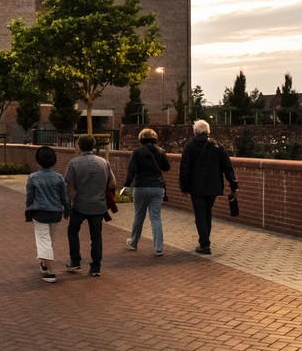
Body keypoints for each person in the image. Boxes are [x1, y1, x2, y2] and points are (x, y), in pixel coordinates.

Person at [178, 119, 238, 255]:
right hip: (213, 187)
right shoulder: (217, 146)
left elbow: (184, 168)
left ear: (195, 131)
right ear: (207, 131)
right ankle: (205, 241)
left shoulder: (190, 146)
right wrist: (233, 183)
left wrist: (184, 186)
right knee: (207, 213)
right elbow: (227, 166)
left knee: (200, 215)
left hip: (196, 187)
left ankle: (205, 244)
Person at [64, 134, 115, 277]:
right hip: (98, 205)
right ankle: (96, 267)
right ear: (93, 146)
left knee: (73, 231)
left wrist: (68, 204)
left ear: (79, 146)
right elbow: (113, 183)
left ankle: (75, 261)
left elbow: (70, 186)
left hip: (80, 205)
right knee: (96, 236)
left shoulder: (74, 163)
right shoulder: (104, 162)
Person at [122, 127, 170, 256]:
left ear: (141, 139)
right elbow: (167, 167)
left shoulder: (137, 152)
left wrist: (126, 186)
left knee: (139, 215)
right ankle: (158, 248)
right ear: (155, 138)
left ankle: (134, 242)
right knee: (156, 217)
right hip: (157, 187)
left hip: (141, 186)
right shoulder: (161, 151)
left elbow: (131, 170)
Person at [25, 146, 69, 282]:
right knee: (51, 240)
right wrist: (67, 209)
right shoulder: (59, 177)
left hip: (40, 213)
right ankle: (44, 264)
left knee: (43, 240)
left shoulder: (33, 177)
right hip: (56, 213)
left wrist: (29, 209)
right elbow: (64, 197)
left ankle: (50, 272)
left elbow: (29, 197)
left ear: (38, 161)